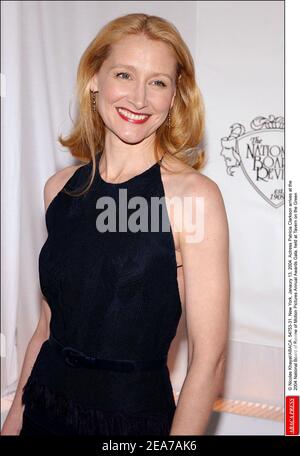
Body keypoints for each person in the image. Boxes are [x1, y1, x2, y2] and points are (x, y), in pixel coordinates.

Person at [1, 13, 230, 436]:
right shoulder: (59, 189)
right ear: (94, 78)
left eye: (158, 82)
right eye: (124, 74)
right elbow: (47, 329)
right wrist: (14, 418)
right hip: (42, 411)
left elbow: (209, 360)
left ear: (175, 95)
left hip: (132, 424)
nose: (139, 98)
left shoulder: (193, 197)